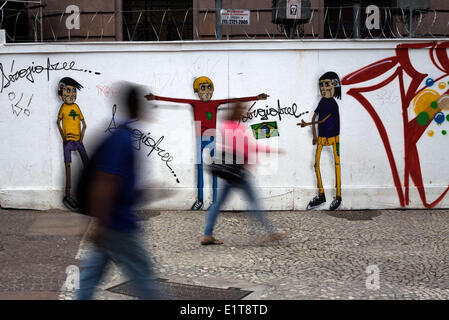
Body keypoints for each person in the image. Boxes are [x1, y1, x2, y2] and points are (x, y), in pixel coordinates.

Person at [75, 84, 160, 300]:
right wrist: (100, 223)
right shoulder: (122, 139)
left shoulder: (119, 135)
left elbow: (115, 182)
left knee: (90, 277)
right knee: (144, 278)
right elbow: (105, 181)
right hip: (119, 224)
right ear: (137, 106)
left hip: (110, 222)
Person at [145, 76, 268, 210]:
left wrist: (256, 97)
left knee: (215, 169)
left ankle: (214, 201)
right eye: (203, 88)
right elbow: (177, 100)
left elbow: (232, 101)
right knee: (200, 169)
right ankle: (200, 200)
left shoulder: (215, 103)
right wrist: (156, 97)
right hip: (200, 138)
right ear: (197, 90)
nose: (206, 91)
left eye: (209, 87)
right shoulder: (195, 103)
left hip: (213, 138)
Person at [201, 102, 284, 245]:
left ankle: (207, 234)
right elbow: (247, 149)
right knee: (254, 202)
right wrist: (272, 150)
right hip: (239, 173)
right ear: (238, 112)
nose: (246, 112)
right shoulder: (238, 128)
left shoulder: (226, 126)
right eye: (243, 110)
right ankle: (271, 231)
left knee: (218, 204)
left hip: (228, 172)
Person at [298, 71, 342, 211]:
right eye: (321, 85)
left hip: (334, 138)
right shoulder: (322, 101)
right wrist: (315, 136)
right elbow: (315, 118)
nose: (323, 88)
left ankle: (338, 195)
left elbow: (322, 120)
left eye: (327, 84)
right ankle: (321, 194)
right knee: (316, 164)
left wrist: (308, 125)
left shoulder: (333, 104)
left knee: (336, 164)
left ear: (335, 84)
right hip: (322, 138)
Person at [56, 77, 88, 211]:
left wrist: (81, 138)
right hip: (68, 142)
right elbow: (58, 122)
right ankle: (67, 194)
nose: (71, 94)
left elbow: (84, 124)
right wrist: (63, 137)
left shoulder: (76, 107)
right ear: (61, 92)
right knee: (68, 166)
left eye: (73, 91)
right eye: (68, 90)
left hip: (78, 141)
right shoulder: (63, 108)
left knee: (87, 162)